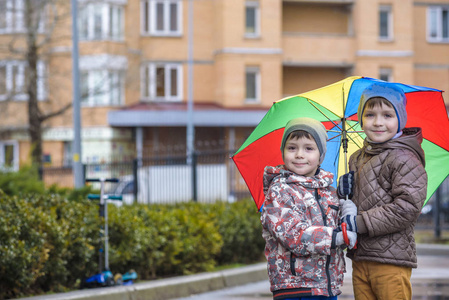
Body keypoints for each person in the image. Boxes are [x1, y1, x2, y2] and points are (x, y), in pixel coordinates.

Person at [337, 81, 428, 300]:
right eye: (370, 115)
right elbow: (356, 204)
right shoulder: (357, 158)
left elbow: (406, 208)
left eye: (387, 115)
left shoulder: (404, 158)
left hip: (391, 261)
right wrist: (343, 193)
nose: (378, 122)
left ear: (400, 120)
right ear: (360, 119)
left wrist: (359, 223)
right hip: (361, 258)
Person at [261, 117, 357, 300]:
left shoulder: (329, 192)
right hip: (295, 287)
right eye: (292, 148)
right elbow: (293, 235)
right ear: (283, 152)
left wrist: (347, 209)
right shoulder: (280, 190)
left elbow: (342, 238)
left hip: (327, 286)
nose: (299, 154)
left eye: (309, 148)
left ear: (321, 155)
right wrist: (335, 236)